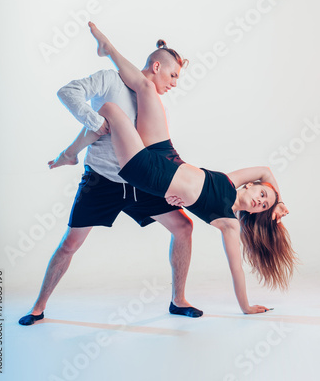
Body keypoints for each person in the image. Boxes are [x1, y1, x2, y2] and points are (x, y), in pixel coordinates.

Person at [61, 22, 297, 315]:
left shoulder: (228, 222)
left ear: (254, 212)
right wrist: (280, 201)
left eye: (263, 205)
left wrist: (246, 307)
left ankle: (70, 152)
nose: (261, 200)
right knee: (147, 87)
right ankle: (107, 49)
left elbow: (236, 269)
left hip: (147, 171)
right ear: (249, 186)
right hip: (166, 153)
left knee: (110, 109)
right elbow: (264, 170)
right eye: (263, 194)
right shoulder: (230, 180)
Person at [18, 32, 202, 327]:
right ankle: (38, 307)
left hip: (142, 183)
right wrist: (95, 122)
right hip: (101, 180)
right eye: (173, 75)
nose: (174, 83)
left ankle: (178, 301)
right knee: (70, 244)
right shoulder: (110, 79)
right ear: (156, 66)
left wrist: (173, 187)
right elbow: (67, 92)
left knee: (183, 226)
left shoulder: (151, 100)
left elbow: (161, 152)